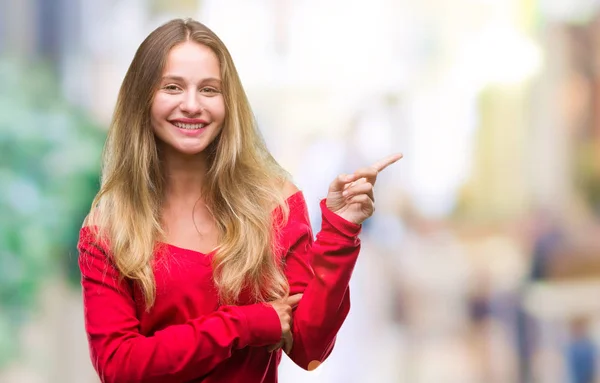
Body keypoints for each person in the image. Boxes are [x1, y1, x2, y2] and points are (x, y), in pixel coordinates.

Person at [77, 18, 401, 383]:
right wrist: (247, 324)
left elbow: (309, 349)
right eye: (172, 87)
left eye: (209, 90)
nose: (191, 105)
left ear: (228, 102)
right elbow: (120, 367)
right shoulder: (108, 227)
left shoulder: (274, 206)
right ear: (142, 97)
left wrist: (341, 230)